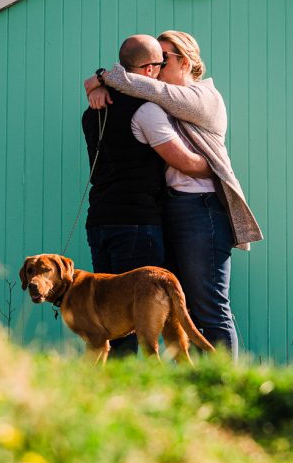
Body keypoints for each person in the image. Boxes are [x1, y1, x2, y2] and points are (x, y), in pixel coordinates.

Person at [85, 31, 262, 358]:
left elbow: (143, 83)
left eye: (163, 59)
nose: (157, 66)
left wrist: (101, 80)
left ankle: (223, 383)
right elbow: (139, 83)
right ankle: (190, 382)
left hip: (202, 208)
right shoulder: (156, 102)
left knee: (208, 304)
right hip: (171, 208)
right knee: (181, 307)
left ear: (185, 60)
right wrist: (99, 85)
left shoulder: (201, 98)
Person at [82, 34, 212, 359]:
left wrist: (97, 84)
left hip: (99, 223)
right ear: (151, 69)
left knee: (111, 314)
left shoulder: (92, 110)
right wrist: (215, 166)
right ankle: (149, 388)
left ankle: (115, 391)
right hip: (136, 225)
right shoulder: (146, 111)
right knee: (140, 316)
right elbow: (182, 162)